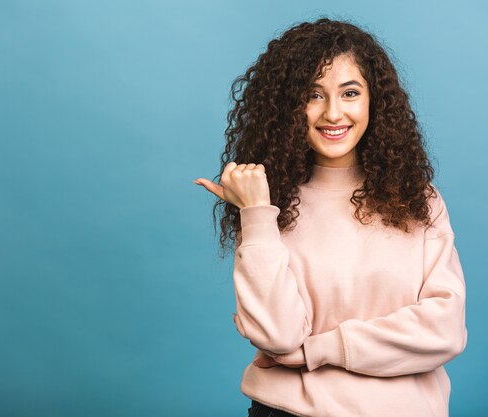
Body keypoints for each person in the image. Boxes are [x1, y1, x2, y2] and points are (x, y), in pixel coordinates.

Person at [194, 17, 467, 417]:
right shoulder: (269, 202)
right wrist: (254, 214)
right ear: (290, 106)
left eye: (350, 93)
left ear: (374, 99)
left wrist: (315, 351)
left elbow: (444, 330)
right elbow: (277, 335)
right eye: (313, 95)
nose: (333, 113)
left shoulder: (418, 200)